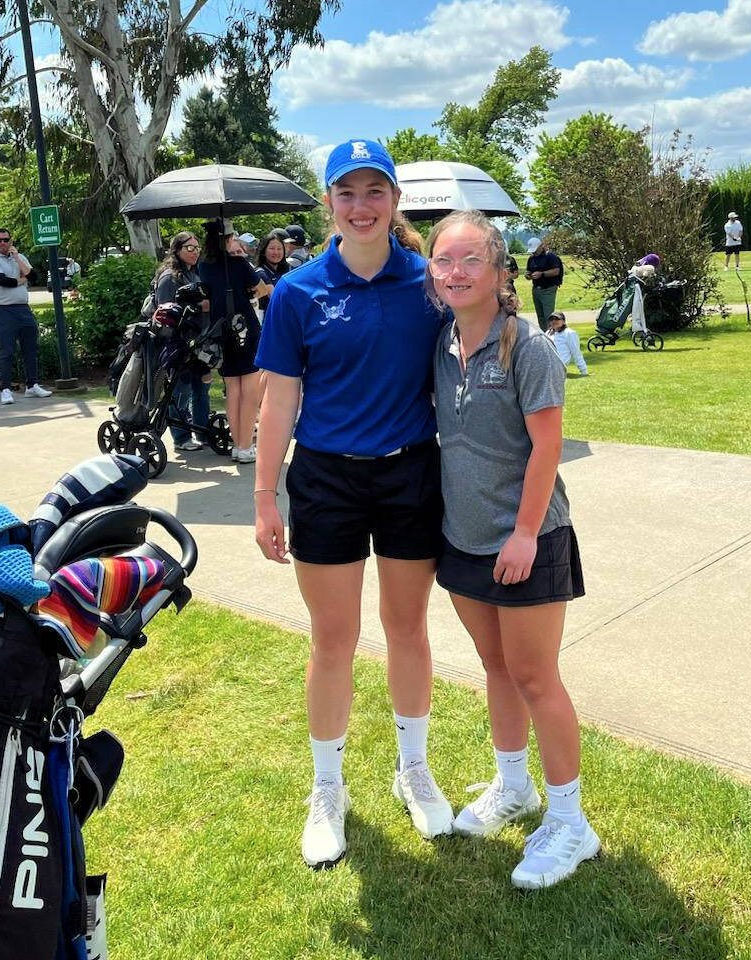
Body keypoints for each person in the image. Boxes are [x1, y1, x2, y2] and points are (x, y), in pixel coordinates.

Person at [254, 138, 449, 870]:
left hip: (409, 475)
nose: (362, 207)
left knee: (408, 628)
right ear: (328, 202)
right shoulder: (299, 291)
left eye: (376, 192)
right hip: (327, 480)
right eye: (347, 193)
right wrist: (263, 496)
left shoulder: (429, 285)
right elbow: (279, 403)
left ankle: (412, 768)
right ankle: (328, 787)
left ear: (395, 200)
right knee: (333, 639)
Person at [428, 209, 599, 890]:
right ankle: (513, 788)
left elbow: (548, 446)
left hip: (529, 538)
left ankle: (570, 822)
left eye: (473, 260)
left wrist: (526, 532)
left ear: (502, 275)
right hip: (462, 540)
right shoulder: (440, 344)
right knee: (495, 667)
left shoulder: (527, 348)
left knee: (535, 677)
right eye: (445, 260)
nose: (458, 272)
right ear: (432, 272)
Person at [199, 219, 267, 463]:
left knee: (233, 390)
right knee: (250, 390)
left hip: (221, 330)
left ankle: (238, 445)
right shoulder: (239, 263)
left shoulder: (203, 265)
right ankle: (246, 445)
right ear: (228, 239)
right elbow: (261, 289)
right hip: (245, 327)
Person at [0, 228, 53, 405]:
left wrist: (18, 259)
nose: (2, 243)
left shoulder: (19, 257)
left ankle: (32, 386)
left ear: (10, 240)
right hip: (3, 309)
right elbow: (2, 281)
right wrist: (21, 280)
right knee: (6, 350)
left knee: (30, 347)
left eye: (5, 240)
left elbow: (34, 277)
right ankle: (5, 389)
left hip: (23, 308)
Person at [155, 231, 211, 453]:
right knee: (180, 390)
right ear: (177, 250)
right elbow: (166, 312)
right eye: (190, 248)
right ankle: (181, 437)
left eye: (197, 248)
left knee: (202, 387)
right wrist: (200, 307)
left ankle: (203, 431)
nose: (195, 252)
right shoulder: (170, 277)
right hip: (178, 342)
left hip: (199, 341)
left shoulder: (195, 273)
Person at [524, 237, 564, 332]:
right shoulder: (531, 259)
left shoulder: (550, 257)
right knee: (540, 316)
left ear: (541, 246)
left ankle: (552, 335)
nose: (534, 252)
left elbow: (556, 271)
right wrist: (528, 275)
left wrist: (542, 274)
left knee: (548, 315)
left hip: (548, 289)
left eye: (535, 250)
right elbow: (528, 270)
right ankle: (544, 334)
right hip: (536, 289)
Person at [255, 230, 290, 318]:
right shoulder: (261, 273)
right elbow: (276, 299)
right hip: (268, 322)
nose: (276, 252)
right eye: (272, 248)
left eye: (279, 249)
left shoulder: (284, 271)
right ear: (264, 251)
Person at [546, 311, 588, 377]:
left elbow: (576, 353)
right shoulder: (548, 332)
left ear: (563, 321)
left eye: (557, 319)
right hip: (547, 363)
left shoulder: (569, 333)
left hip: (558, 365)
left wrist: (584, 371)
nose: (554, 321)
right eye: (551, 319)